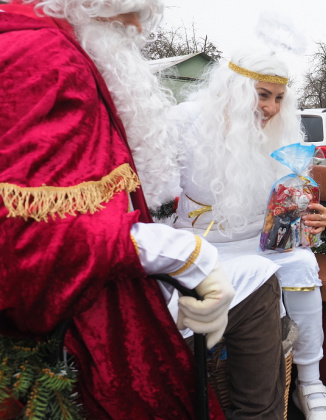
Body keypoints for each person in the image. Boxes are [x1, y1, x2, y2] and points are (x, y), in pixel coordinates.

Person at [0, 1, 233, 418]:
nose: (138, 29)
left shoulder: (54, 46)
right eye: (133, 11)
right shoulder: (45, 56)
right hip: (70, 346)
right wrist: (182, 253)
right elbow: (25, 241)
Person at [171, 36, 326, 419]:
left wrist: (312, 221)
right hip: (200, 246)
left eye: (279, 99)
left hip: (261, 243)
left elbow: (288, 211)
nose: (271, 108)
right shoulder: (184, 122)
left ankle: (310, 382)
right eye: (262, 95)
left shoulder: (282, 134)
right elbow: (155, 200)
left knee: (303, 264)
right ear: (235, 86)